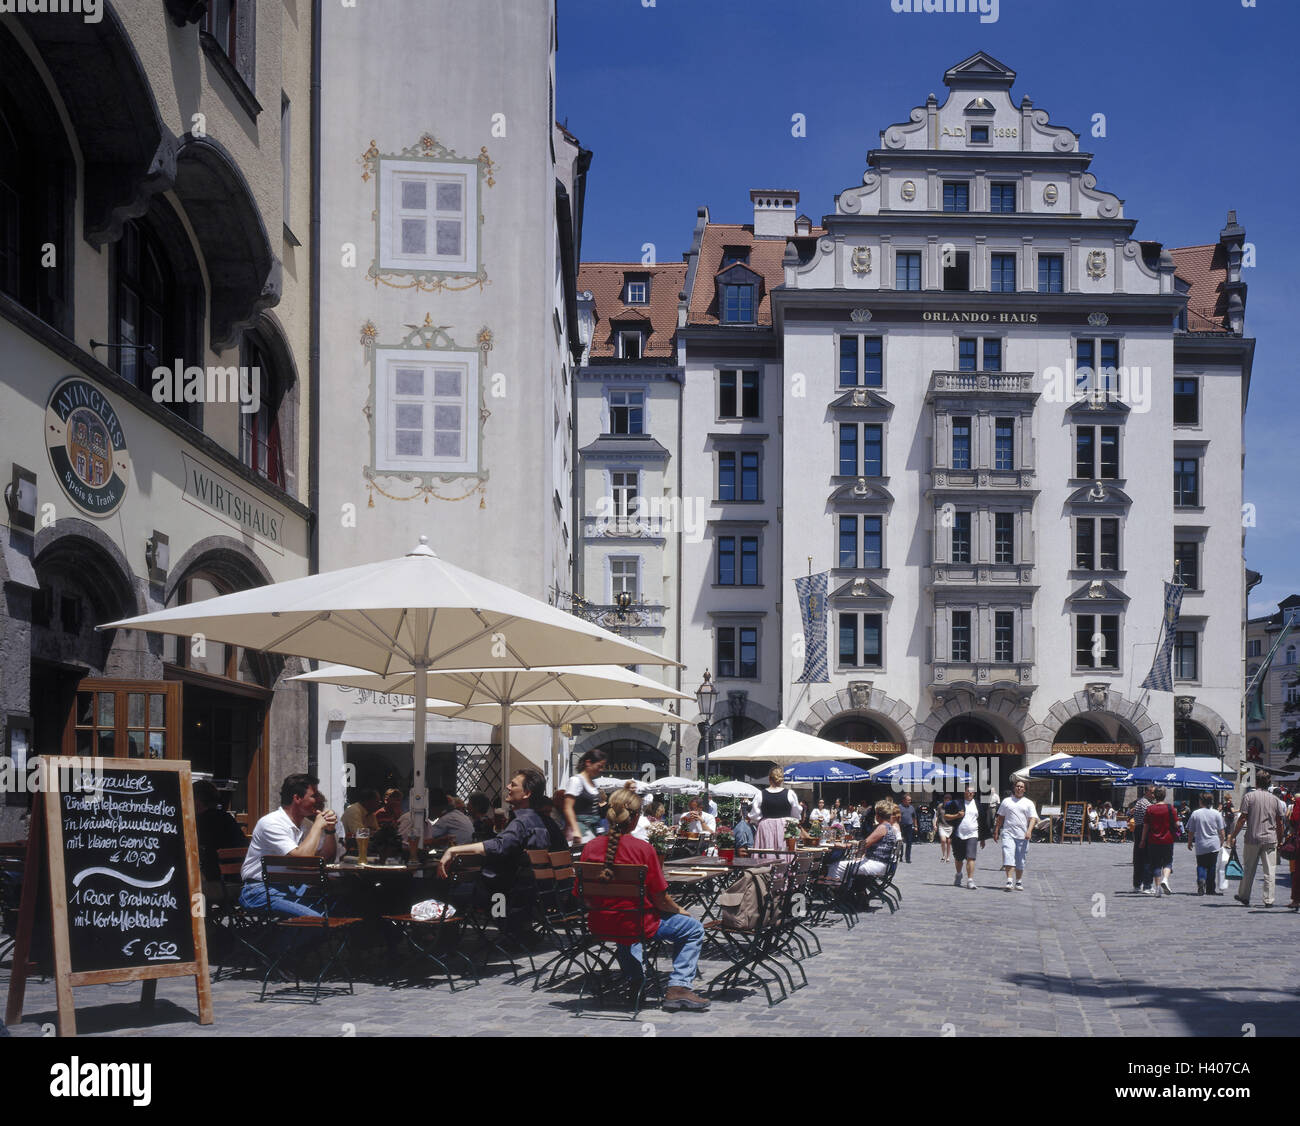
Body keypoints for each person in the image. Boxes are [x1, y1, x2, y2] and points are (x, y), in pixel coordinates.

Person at [580, 784, 711, 1013]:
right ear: (635, 818)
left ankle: (635, 981)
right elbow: (661, 900)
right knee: (693, 929)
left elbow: (583, 896)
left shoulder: (590, 848)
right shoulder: (643, 849)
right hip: (636, 924)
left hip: (600, 923)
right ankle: (679, 987)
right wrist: (679, 909)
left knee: (627, 928)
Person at [436, 769, 563, 903]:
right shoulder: (542, 822)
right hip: (533, 896)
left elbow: (499, 846)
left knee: (439, 891)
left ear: (527, 793)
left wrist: (453, 850)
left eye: (513, 785)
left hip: (504, 897)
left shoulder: (522, 822)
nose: (508, 787)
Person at [240, 774, 346, 917]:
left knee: (343, 903)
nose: (319, 800)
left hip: (292, 888)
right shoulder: (271, 823)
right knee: (317, 919)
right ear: (297, 798)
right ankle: (275, 940)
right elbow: (302, 859)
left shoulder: (305, 825)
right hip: (260, 890)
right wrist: (317, 826)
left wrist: (329, 830)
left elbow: (326, 858)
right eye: (314, 796)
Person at [1229, 770, 1288, 908]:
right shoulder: (1275, 800)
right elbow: (1279, 822)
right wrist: (1280, 840)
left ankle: (1244, 896)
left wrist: (1233, 835)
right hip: (1270, 838)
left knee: (1249, 869)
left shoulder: (1249, 797)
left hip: (1252, 838)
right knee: (1270, 871)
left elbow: (1242, 818)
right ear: (1269, 784)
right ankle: (1268, 899)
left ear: (1256, 782)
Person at [192, 780, 246, 905]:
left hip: (218, 887)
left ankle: (196, 921)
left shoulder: (199, 823)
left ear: (196, 801)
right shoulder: (228, 819)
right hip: (239, 883)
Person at [994, 780, 1038, 892]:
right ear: (1014, 788)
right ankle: (1009, 880)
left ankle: (1018, 881)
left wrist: (1029, 831)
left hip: (1022, 835)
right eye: (1017, 786)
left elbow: (1033, 818)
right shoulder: (1006, 801)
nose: (1019, 788)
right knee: (1008, 854)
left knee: (1020, 859)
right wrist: (996, 830)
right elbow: (1001, 817)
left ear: (1024, 789)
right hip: (1008, 833)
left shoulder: (1028, 803)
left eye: (1021, 787)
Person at [947, 785, 991, 890]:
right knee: (958, 858)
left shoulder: (978, 805)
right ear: (964, 792)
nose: (970, 793)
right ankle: (958, 874)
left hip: (973, 834)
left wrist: (983, 838)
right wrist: (957, 816)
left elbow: (982, 822)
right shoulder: (956, 803)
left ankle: (970, 880)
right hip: (958, 834)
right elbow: (945, 816)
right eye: (968, 791)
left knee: (971, 857)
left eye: (972, 791)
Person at [1139, 786, 1180, 896]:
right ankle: (1165, 879)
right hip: (1168, 839)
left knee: (1155, 864)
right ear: (1164, 795)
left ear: (1154, 796)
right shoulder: (1170, 808)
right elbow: (1177, 824)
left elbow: (1146, 826)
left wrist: (1142, 840)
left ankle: (1157, 889)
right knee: (1168, 861)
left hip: (1153, 840)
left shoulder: (1150, 809)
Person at [1185, 791, 1227, 896]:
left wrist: (1189, 842)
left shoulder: (1196, 813)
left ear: (1201, 801)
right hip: (1213, 844)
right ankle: (1210, 889)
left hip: (1201, 844)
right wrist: (1222, 840)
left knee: (1201, 865)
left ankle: (1201, 879)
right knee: (1212, 866)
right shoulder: (1216, 813)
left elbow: (1191, 831)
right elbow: (1221, 830)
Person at [753, 766, 800, 855]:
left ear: (769, 778)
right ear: (782, 780)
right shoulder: (790, 793)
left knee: (766, 852)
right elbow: (796, 815)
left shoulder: (760, 794)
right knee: (784, 851)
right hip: (784, 826)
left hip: (766, 826)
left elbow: (755, 815)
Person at [564, 749, 607, 845]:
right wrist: (575, 830)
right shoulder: (575, 780)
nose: (601, 770)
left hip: (594, 829)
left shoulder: (593, 783)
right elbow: (568, 807)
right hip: (581, 830)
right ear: (588, 763)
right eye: (599, 766)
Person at [1130, 785, 1155, 893]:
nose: (1154, 795)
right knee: (1147, 859)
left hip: (1138, 829)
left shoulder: (1140, 802)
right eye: (1153, 792)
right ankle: (1147, 885)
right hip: (1144, 830)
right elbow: (1148, 821)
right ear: (1147, 792)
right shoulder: (1147, 804)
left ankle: (1137, 884)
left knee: (1138, 859)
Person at [897, 793, 918, 862]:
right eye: (908, 800)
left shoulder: (911, 807)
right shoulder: (899, 807)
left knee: (909, 842)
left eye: (910, 800)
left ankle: (908, 858)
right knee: (901, 842)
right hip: (901, 826)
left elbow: (914, 817)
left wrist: (915, 826)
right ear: (904, 800)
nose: (910, 801)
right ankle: (900, 856)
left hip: (909, 826)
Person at [936, 792, 954, 862]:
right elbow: (937, 816)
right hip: (942, 825)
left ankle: (948, 856)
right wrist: (935, 824)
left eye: (948, 800)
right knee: (943, 841)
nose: (947, 801)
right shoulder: (940, 806)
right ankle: (943, 855)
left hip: (950, 826)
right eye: (946, 800)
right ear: (944, 800)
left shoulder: (953, 806)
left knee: (949, 842)